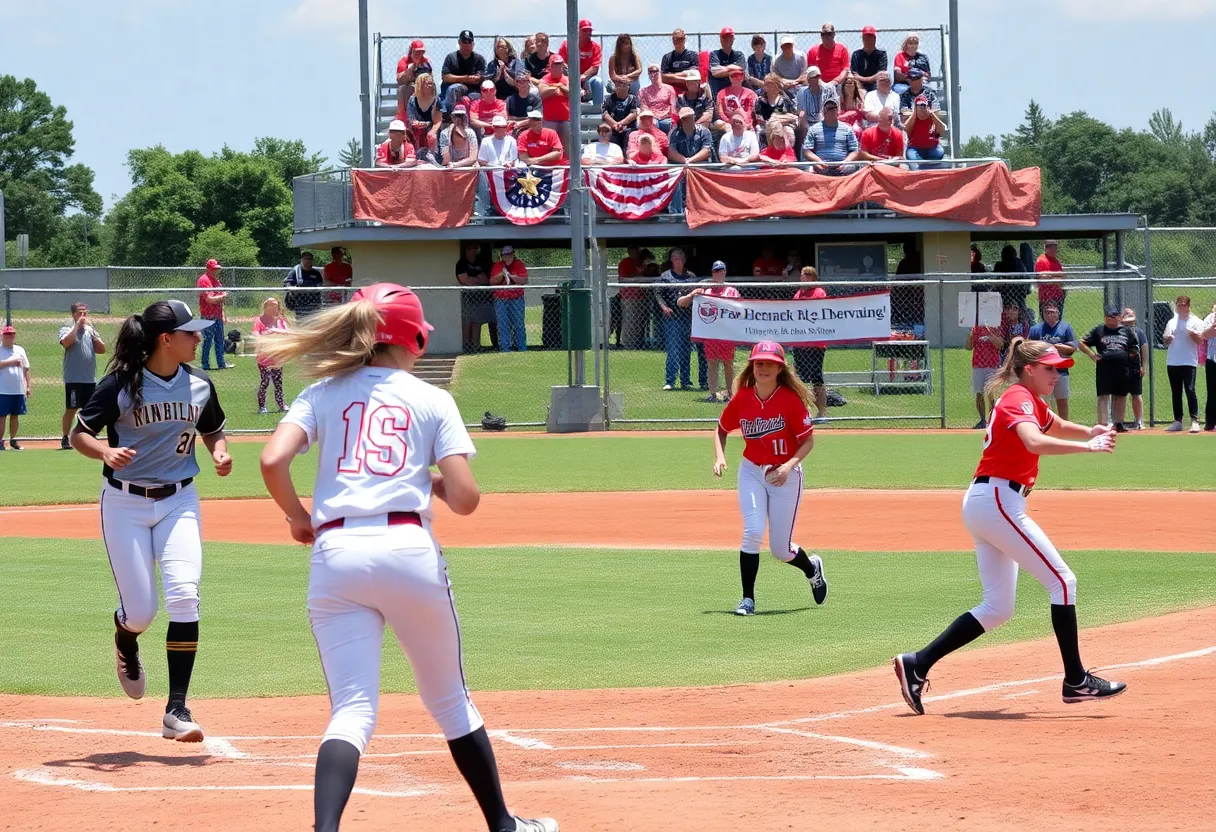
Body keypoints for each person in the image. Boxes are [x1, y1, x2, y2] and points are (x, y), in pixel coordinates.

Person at [255, 284, 559, 832]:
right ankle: (504, 826)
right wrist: (431, 479)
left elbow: (273, 459)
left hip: (336, 551)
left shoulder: (323, 392)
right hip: (407, 549)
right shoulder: (431, 397)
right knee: (449, 700)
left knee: (351, 711)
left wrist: (297, 516)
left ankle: (326, 831)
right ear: (411, 335)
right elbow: (466, 500)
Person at [893, 338, 1125, 715]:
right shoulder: (1018, 397)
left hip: (990, 502)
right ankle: (1076, 680)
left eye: (1057, 368)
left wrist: (1089, 431)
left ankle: (917, 663)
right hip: (999, 501)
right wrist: (1089, 448)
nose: (1056, 374)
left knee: (998, 608)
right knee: (1062, 582)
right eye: (1049, 368)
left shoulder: (1029, 399)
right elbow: (1033, 441)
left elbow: (1056, 424)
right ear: (1028, 369)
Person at [69, 299, 231, 740]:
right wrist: (104, 451)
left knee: (184, 596)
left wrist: (218, 450)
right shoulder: (121, 384)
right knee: (141, 612)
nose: (198, 338)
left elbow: (211, 426)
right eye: (190, 333)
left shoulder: (199, 383)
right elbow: (78, 433)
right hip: (125, 504)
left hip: (180, 500)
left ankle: (176, 709)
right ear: (166, 339)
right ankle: (125, 637)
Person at [712, 340, 829, 616]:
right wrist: (720, 456)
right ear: (752, 366)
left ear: (779, 368)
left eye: (769, 363)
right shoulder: (742, 397)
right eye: (759, 362)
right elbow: (721, 428)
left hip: (784, 476)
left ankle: (812, 569)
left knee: (780, 549)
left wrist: (788, 466)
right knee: (752, 531)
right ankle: (747, 600)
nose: (763, 367)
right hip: (752, 469)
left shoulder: (790, 400)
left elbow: (808, 442)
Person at [677, 261, 738, 402]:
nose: (718, 273)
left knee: (728, 363)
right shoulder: (706, 291)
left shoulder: (731, 290)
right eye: (715, 271)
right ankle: (713, 393)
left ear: (725, 272)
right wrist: (693, 294)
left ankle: (730, 393)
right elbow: (681, 302)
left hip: (727, 334)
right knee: (712, 363)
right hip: (710, 335)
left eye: (721, 270)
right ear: (712, 273)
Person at [1078, 307, 1140, 430]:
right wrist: (1092, 355)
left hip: (1122, 368)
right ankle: (1103, 424)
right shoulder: (1099, 330)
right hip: (1104, 368)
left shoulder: (1126, 331)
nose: (1109, 318)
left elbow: (1134, 347)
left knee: (1121, 395)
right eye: (1108, 316)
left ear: (1119, 318)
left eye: (1113, 316)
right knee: (1103, 395)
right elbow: (1081, 342)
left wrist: (1130, 360)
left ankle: (1119, 423)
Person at [59, 301, 107, 449]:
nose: (83, 315)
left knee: (89, 408)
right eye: (80, 313)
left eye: (85, 312)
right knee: (71, 409)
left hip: (89, 378)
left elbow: (102, 349)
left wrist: (94, 335)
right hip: (74, 377)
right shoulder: (66, 329)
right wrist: (77, 326)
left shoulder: (90, 329)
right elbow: (67, 342)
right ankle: (66, 437)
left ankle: (87, 435)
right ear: (74, 314)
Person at [788, 267, 830, 421]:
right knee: (799, 378)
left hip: (816, 343)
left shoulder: (819, 292)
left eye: (805, 275)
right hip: (800, 342)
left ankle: (822, 413)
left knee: (816, 377)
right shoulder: (799, 293)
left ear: (812, 277)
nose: (802, 278)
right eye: (801, 275)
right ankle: (802, 412)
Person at [657, 248, 698, 390]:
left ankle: (686, 381)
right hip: (672, 319)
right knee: (673, 350)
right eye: (674, 258)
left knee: (686, 351)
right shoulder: (665, 276)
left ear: (684, 259)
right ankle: (670, 381)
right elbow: (658, 294)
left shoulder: (691, 276)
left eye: (679, 257)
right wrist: (664, 307)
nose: (676, 260)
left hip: (687, 318)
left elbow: (696, 295)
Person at [1162, 295, 1204, 433]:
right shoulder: (1172, 322)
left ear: (1188, 305)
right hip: (1173, 361)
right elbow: (1165, 339)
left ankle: (1194, 420)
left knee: (1190, 390)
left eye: (1184, 304)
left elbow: (1200, 341)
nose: (1181, 307)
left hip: (1189, 361)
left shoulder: (1196, 321)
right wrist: (1167, 338)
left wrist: (1193, 335)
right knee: (1176, 392)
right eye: (1179, 304)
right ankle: (1178, 421)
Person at [1028, 303, 1077, 420]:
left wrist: (1055, 347)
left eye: (1052, 312)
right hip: (1043, 371)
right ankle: (1043, 424)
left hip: (1061, 370)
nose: (1049, 314)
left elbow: (1072, 349)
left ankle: (1065, 424)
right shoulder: (1036, 329)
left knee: (1062, 399)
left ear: (1058, 313)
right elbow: (1028, 347)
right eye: (1046, 312)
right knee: (1043, 400)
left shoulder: (1065, 328)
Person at [249, 297, 291, 414]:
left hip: (277, 357)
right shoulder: (259, 320)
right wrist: (266, 336)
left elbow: (288, 333)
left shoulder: (280, 321)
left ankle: (281, 404)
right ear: (266, 307)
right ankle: (262, 406)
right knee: (265, 380)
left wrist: (275, 331)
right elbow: (256, 334)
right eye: (271, 306)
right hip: (264, 357)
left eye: (275, 306)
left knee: (278, 382)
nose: (274, 308)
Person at [456, 243, 498, 352]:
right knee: (470, 322)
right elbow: (465, 281)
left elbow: (487, 279)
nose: (473, 251)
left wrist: (472, 278)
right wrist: (477, 278)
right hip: (470, 298)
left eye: (475, 249)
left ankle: (495, 345)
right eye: (471, 249)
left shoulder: (483, 262)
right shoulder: (461, 264)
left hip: (486, 297)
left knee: (491, 321)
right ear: (466, 250)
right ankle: (469, 347)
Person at [803, 99, 859, 175]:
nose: (832, 110)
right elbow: (807, 150)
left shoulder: (847, 129)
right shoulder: (813, 129)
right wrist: (818, 161)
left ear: (838, 111)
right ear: (823, 112)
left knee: (854, 167)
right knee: (808, 169)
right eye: (828, 108)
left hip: (843, 166)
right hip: (821, 166)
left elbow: (854, 150)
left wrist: (845, 163)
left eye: (834, 108)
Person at [490, 246, 528, 352]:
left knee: (519, 324)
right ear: (502, 256)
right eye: (505, 255)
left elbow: (524, 280)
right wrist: (502, 275)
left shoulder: (519, 264)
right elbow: (492, 281)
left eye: (510, 254)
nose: (507, 257)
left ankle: (521, 347)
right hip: (501, 299)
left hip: (516, 299)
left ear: (513, 254)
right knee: (503, 325)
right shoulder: (498, 265)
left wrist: (511, 276)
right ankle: (505, 349)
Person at [966, 321, 1004, 429]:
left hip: (991, 365)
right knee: (979, 393)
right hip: (978, 365)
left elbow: (1001, 345)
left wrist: (991, 334)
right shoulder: (975, 329)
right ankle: (982, 420)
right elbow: (968, 347)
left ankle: (993, 419)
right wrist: (970, 334)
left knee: (991, 393)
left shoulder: (996, 328)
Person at [559, 18, 604, 107]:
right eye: (585, 30)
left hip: (587, 78)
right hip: (569, 77)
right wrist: (573, 77)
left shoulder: (595, 47)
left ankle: (598, 110)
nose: (588, 33)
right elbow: (561, 63)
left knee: (598, 82)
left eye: (589, 30)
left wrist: (581, 77)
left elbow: (595, 67)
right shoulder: (566, 45)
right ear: (578, 30)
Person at [0, 325, 30, 451]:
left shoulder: (20, 350)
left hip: (17, 389)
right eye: (7, 335)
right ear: (2, 336)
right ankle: (0, 441)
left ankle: (13, 440)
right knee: (1, 416)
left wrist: (28, 386)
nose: (10, 337)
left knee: (15, 415)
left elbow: (26, 369)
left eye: (12, 334)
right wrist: (11, 362)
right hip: (2, 390)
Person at [440, 30, 487, 112]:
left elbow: (482, 77)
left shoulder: (479, 59)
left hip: (472, 91)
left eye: (469, 43)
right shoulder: (451, 57)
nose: (466, 45)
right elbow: (445, 77)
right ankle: (449, 115)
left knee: (475, 98)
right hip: (451, 91)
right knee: (452, 89)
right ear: (459, 42)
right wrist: (464, 79)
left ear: (473, 44)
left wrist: (476, 78)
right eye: (464, 42)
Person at [195, 258, 229, 371]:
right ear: (208, 268)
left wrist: (223, 314)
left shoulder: (217, 281)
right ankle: (205, 364)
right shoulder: (204, 280)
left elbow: (221, 299)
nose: (216, 271)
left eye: (217, 269)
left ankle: (221, 363)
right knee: (208, 340)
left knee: (219, 340)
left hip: (218, 315)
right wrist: (222, 296)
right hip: (207, 316)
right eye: (213, 269)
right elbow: (209, 299)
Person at [537, 54, 571, 154]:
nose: (558, 67)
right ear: (550, 67)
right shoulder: (544, 79)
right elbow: (542, 93)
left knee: (568, 148)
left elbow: (572, 93)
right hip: (549, 120)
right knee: (549, 147)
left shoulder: (567, 79)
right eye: (555, 65)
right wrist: (558, 86)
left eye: (560, 65)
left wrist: (553, 88)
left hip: (565, 119)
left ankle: (569, 168)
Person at [1121, 308, 1148, 430]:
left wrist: (1144, 366)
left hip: (1135, 367)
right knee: (1119, 395)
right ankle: (1118, 421)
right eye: (1126, 314)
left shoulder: (1139, 332)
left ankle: (1138, 421)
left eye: (1131, 314)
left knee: (1136, 394)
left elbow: (1144, 349)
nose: (1129, 317)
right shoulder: (1118, 332)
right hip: (1120, 368)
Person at [903, 95, 947, 169]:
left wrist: (932, 114)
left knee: (939, 153)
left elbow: (942, 129)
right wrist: (915, 114)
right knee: (912, 158)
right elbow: (905, 129)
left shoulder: (932, 116)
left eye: (924, 105)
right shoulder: (912, 118)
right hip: (915, 148)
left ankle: (926, 168)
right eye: (919, 105)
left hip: (932, 147)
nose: (922, 108)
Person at [754, 74, 798, 146]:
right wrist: (774, 122)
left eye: (773, 84)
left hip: (783, 125)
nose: (771, 87)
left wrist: (777, 121)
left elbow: (793, 117)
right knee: (761, 130)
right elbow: (759, 119)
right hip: (766, 127)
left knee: (788, 131)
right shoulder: (760, 101)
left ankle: (787, 154)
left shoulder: (785, 100)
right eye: (767, 84)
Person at [712, 69, 758, 136]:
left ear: (743, 77)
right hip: (728, 124)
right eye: (733, 76)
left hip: (746, 123)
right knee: (721, 124)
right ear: (729, 77)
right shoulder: (722, 93)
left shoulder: (750, 93)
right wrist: (730, 121)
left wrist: (745, 123)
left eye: (739, 75)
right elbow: (720, 112)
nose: (736, 78)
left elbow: (750, 112)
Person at [396, 39, 433, 121]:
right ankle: (404, 116)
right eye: (416, 52)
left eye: (421, 52)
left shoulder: (426, 61)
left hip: (423, 85)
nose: (419, 54)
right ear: (411, 51)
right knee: (403, 89)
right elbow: (400, 80)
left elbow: (430, 76)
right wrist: (413, 67)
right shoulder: (404, 61)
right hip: (407, 86)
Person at [407, 74, 443, 156]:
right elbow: (411, 119)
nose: (431, 86)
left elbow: (438, 121)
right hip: (416, 129)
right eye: (428, 83)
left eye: (432, 83)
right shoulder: (412, 100)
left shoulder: (437, 100)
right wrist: (417, 124)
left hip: (431, 128)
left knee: (432, 136)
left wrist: (433, 131)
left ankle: (433, 157)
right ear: (420, 85)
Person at [284, 251, 325, 320]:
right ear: (302, 260)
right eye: (306, 258)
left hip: (314, 304)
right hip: (301, 304)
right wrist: (297, 289)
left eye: (310, 259)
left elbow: (320, 285)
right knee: (302, 324)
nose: (308, 261)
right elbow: (288, 285)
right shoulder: (295, 272)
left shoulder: (316, 273)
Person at [807, 23, 850, 88]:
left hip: (838, 84)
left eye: (829, 34)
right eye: (823, 34)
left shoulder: (842, 49)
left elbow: (845, 69)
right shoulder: (813, 51)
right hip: (819, 84)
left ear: (834, 35)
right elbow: (811, 71)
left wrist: (836, 81)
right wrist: (821, 83)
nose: (826, 36)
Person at [601, 77, 639, 150]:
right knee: (610, 134)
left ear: (628, 86)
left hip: (628, 127)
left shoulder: (633, 98)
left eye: (622, 83)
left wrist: (621, 124)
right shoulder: (608, 98)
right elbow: (604, 113)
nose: (618, 85)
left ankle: (627, 157)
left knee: (629, 135)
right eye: (617, 83)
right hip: (613, 127)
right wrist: (615, 125)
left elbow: (634, 114)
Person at [639, 65, 678, 134]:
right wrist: (651, 118)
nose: (653, 74)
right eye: (650, 72)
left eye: (655, 71)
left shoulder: (669, 89)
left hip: (667, 118)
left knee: (673, 127)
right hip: (652, 118)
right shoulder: (643, 91)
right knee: (650, 124)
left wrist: (673, 120)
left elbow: (673, 106)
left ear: (660, 72)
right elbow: (644, 107)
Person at [1033, 240, 1066, 319]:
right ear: (1048, 249)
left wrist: (1050, 275)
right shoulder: (1042, 260)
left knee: (1057, 323)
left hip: (1058, 297)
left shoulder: (1056, 260)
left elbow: (1062, 278)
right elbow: (1042, 279)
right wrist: (1056, 276)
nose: (1056, 251)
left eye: (1056, 248)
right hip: (1046, 298)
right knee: (1047, 322)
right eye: (1054, 248)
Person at [485, 36, 525, 101]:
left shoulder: (515, 62)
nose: (500, 49)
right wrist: (499, 73)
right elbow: (489, 80)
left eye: (503, 47)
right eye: (498, 47)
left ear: (508, 48)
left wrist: (505, 70)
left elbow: (520, 78)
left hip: (513, 93)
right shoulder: (492, 64)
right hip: (496, 94)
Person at [850, 25, 887, 91]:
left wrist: (862, 78)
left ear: (875, 39)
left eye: (870, 38)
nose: (868, 40)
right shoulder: (856, 54)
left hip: (876, 85)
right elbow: (854, 76)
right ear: (862, 39)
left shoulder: (881, 54)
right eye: (866, 38)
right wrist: (871, 79)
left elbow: (880, 75)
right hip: (859, 85)